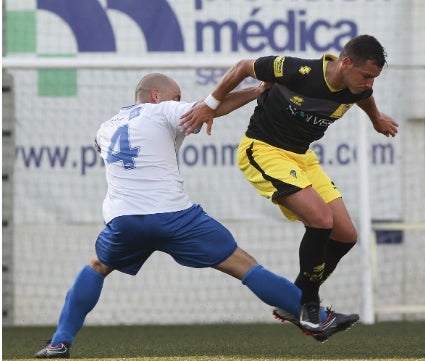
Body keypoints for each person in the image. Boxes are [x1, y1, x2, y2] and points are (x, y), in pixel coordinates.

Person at [35, 73, 357, 359]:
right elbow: (211, 107)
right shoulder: (164, 109)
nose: (181, 102)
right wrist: (256, 91)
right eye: (177, 96)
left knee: (97, 266)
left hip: (124, 220)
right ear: (156, 96)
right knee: (244, 265)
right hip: (175, 217)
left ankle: (60, 343)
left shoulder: (106, 127)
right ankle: (314, 316)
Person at [179, 34, 398, 331]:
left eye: (375, 78)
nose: (370, 84)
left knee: (346, 235)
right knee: (321, 220)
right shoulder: (299, 71)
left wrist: (376, 119)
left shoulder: (355, 87)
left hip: (301, 157)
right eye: (367, 76)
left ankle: (292, 302)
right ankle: (308, 306)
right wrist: (210, 103)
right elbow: (244, 66)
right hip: (263, 149)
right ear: (345, 63)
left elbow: (365, 97)